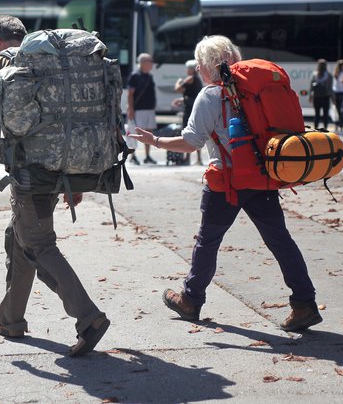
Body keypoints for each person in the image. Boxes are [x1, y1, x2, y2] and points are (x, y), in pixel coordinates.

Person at [129, 35, 322, 333]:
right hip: (263, 176)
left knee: (208, 241)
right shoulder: (255, 88)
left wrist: (154, 140)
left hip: (227, 183)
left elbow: (191, 142)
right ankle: (305, 304)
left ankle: (191, 300)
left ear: (206, 64)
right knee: (280, 241)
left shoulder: (210, 95)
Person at [0, 15, 110, 356]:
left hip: (30, 171)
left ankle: (89, 317)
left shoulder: (0, 62)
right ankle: (11, 319)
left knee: (38, 243)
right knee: (20, 238)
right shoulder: (51, 61)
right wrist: (75, 173)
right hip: (62, 164)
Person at [127, 53, 157, 165]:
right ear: (144, 63)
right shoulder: (135, 76)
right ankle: (133, 156)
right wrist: (131, 109)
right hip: (139, 109)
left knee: (149, 132)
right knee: (137, 132)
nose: (152, 64)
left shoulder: (149, 76)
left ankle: (147, 156)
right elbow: (130, 94)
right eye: (150, 61)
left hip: (149, 109)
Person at [173, 59, 204, 165]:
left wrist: (179, 81)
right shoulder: (197, 79)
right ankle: (198, 158)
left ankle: (187, 158)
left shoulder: (191, 78)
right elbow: (191, 95)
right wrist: (181, 100)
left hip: (190, 109)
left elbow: (178, 89)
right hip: (194, 107)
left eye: (188, 68)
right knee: (196, 131)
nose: (187, 70)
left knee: (188, 131)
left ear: (192, 69)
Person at [310, 59, 333, 130]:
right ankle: (325, 127)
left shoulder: (314, 74)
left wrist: (310, 96)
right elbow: (330, 87)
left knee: (317, 114)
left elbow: (311, 87)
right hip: (325, 97)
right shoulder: (329, 75)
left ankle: (316, 127)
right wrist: (332, 97)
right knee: (325, 114)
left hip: (316, 97)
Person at [332, 59, 343, 134]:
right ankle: (337, 126)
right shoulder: (336, 73)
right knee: (337, 110)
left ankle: (341, 126)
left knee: (342, 111)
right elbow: (335, 84)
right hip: (336, 92)